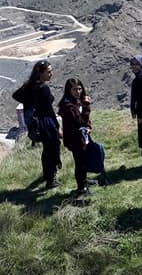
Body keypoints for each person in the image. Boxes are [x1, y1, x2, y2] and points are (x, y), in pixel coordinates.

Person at [14, 60, 62, 190]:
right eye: (49, 72)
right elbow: (49, 111)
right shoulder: (43, 88)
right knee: (52, 149)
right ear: (40, 73)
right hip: (46, 122)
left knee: (47, 150)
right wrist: (58, 127)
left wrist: (30, 104)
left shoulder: (29, 86)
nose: (51, 74)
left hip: (36, 124)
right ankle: (51, 180)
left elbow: (16, 95)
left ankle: (48, 176)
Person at [58, 78, 92, 198]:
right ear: (69, 90)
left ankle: (85, 181)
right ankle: (81, 188)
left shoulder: (75, 102)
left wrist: (88, 126)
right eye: (74, 89)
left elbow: (84, 121)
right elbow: (79, 121)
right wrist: (87, 107)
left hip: (80, 136)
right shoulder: (68, 106)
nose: (78, 91)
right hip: (75, 139)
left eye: (79, 88)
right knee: (80, 163)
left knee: (83, 161)